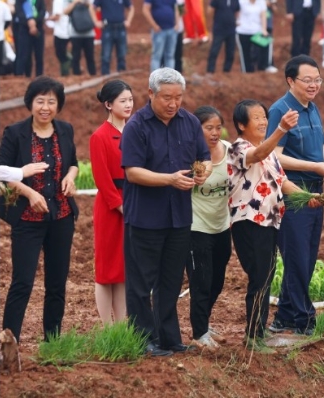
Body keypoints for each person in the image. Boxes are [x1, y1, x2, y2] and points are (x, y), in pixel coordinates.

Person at [120, 67, 211, 356]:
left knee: (170, 281)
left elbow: (204, 157)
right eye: (167, 98)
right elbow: (133, 172)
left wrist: (203, 172)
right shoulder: (137, 125)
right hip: (146, 217)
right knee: (140, 284)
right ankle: (143, 340)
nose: (173, 104)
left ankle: (169, 338)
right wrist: (170, 179)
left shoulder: (190, 122)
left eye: (178, 98)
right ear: (151, 94)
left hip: (179, 217)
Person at [228, 99, 321, 353]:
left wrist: (308, 197)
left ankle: (258, 331)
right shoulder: (238, 148)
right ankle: (253, 335)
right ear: (241, 124)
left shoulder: (268, 153)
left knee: (266, 275)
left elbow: (283, 182)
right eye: (256, 117)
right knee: (259, 277)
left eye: (263, 117)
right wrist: (280, 129)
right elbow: (255, 155)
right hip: (249, 221)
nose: (262, 122)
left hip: (269, 221)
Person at [0, 76, 79, 343]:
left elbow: (74, 162)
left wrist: (71, 176)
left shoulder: (65, 130)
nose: (45, 107)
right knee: (22, 282)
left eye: (51, 102)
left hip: (61, 216)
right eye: (40, 101)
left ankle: (53, 341)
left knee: (56, 284)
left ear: (59, 105)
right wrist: (30, 192)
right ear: (30, 103)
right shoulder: (15, 133)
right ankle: (8, 342)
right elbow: (4, 173)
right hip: (27, 218)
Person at [266, 55, 324, 336]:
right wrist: (315, 166)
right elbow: (275, 156)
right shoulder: (280, 110)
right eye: (307, 80)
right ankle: (304, 319)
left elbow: (319, 146)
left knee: (306, 257)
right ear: (290, 81)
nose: (313, 85)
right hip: (292, 191)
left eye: (317, 80)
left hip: (315, 191)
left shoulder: (312, 108)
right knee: (296, 256)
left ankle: (284, 315)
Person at [185, 106, 231, 350]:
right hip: (196, 227)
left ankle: (204, 322)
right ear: (197, 129)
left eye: (217, 127)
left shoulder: (230, 151)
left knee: (217, 280)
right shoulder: (190, 154)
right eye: (208, 128)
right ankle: (199, 332)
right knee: (200, 281)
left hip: (222, 226)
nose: (214, 133)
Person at [90, 80, 134, 325]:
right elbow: (102, 179)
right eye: (122, 100)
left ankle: (121, 325)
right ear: (108, 104)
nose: (128, 105)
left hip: (133, 202)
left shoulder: (134, 131)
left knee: (124, 269)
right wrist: (121, 206)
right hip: (111, 208)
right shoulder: (100, 136)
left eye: (130, 100)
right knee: (107, 270)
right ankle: (108, 329)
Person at [93, 0, 134, 75]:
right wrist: (96, 21)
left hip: (120, 27)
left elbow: (131, 8)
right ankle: (105, 74)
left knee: (122, 53)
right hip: (107, 28)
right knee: (106, 54)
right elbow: (92, 8)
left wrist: (128, 21)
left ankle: (122, 73)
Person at [143, 0, 179, 71]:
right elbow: (145, 10)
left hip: (172, 29)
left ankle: (170, 78)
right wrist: (154, 25)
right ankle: (155, 79)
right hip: (159, 31)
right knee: (157, 56)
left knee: (170, 56)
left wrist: (177, 24)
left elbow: (177, 8)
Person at [64, 0, 98, 76]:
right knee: (76, 55)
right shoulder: (69, 1)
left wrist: (86, 3)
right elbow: (65, 12)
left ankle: (92, 73)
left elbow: (95, 9)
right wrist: (75, 2)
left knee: (90, 55)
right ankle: (76, 74)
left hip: (89, 33)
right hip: (75, 33)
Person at [206, 0, 239, 74]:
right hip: (219, 29)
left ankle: (227, 70)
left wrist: (236, 21)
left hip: (231, 30)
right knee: (214, 50)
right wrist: (210, 29)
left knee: (230, 51)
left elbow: (237, 11)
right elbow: (210, 11)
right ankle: (210, 70)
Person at [14, 0, 46, 77]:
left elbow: (43, 11)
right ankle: (21, 75)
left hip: (38, 28)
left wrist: (35, 22)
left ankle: (39, 76)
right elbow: (19, 12)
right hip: (24, 29)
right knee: (23, 54)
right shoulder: (20, 1)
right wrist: (29, 22)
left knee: (39, 54)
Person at [236, 0, 269, 73]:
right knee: (245, 51)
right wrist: (237, 21)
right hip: (243, 31)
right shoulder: (241, 2)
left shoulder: (261, 2)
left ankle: (263, 67)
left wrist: (264, 29)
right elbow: (236, 12)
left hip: (257, 31)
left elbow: (263, 15)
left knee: (262, 47)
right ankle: (246, 70)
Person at [48, 0, 72, 76]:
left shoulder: (58, 1)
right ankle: (66, 70)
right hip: (69, 29)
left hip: (61, 31)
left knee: (61, 53)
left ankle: (67, 70)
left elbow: (57, 17)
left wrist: (47, 18)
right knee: (62, 52)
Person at [0, 0, 13, 76]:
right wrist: (2, 28)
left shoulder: (3, 5)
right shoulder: (3, 5)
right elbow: (8, 20)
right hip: (0, 35)